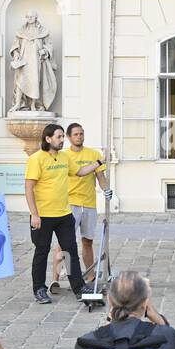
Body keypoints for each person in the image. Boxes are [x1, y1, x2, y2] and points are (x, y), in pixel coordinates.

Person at [24, 123, 102, 304]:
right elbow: (29, 188)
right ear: (48, 139)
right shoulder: (36, 159)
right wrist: (34, 214)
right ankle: (39, 289)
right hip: (42, 216)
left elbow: (81, 172)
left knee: (71, 251)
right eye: (59, 137)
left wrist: (98, 163)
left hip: (64, 214)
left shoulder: (65, 157)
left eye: (62, 137)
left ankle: (79, 287)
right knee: (41, 252)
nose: (62, 140)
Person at [50, 123, 112, 292]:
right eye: (76, 134)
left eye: (81, 134)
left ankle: (90, 277)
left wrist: (106, 190)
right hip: (70, 204)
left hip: (89, 203)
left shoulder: (93, 154)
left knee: (88, 241)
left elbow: (100, 175)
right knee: (64, 243)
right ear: (69, 137)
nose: (79, 137)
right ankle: (56, 279)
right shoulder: (63, 156)